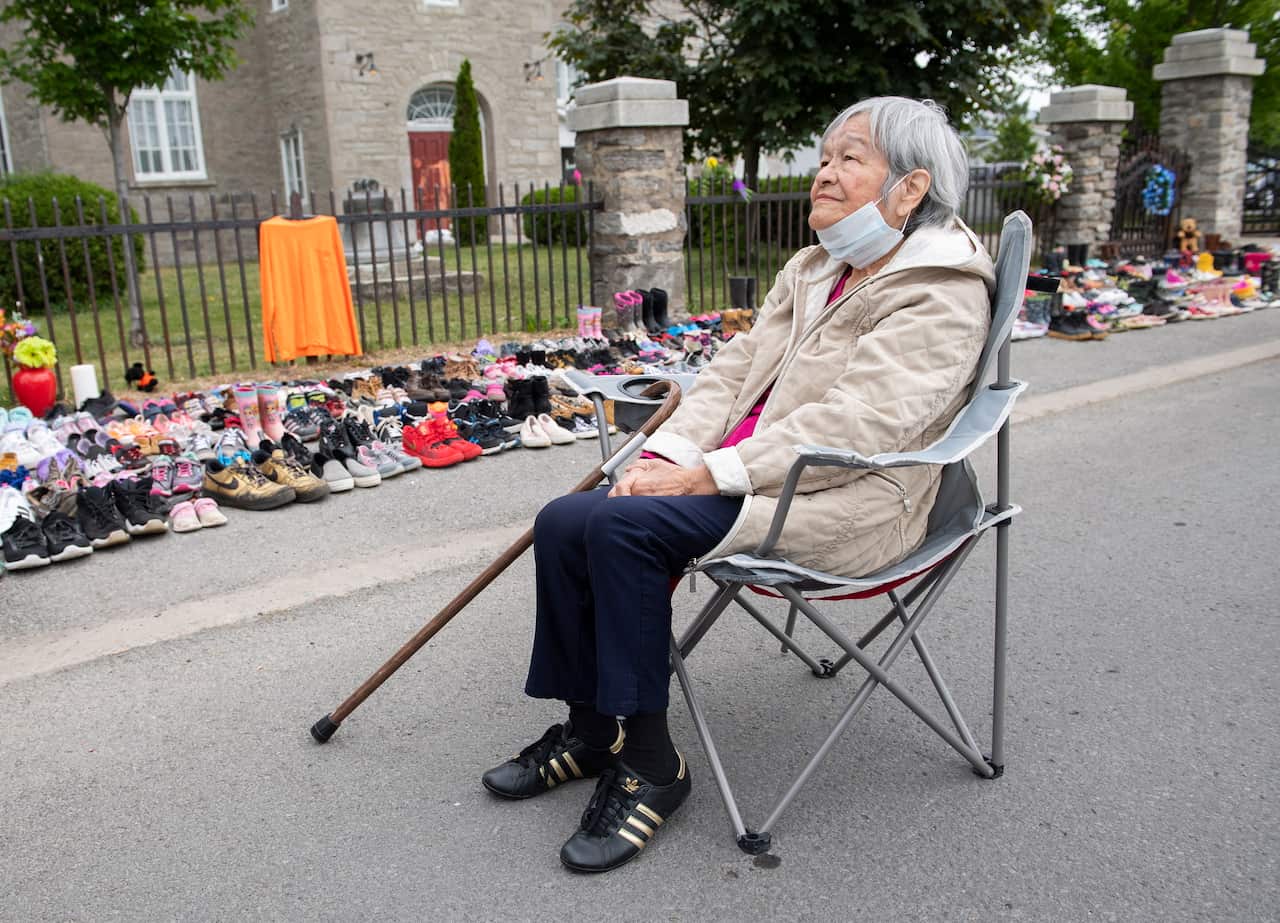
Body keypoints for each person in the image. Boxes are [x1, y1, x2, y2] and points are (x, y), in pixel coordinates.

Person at [481, 96, 996, 873]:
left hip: (850, 500)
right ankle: (591, 731)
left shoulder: (941, 290)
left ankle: (653, 765)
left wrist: (710, 473)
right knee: (563, 520)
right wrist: (672, 456)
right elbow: (731, 374)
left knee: (621, 530)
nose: (824, 172)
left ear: (911, 188)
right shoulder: (819, 264)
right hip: (745, 475)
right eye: (824, 156)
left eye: (849, 158)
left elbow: (859, 427)